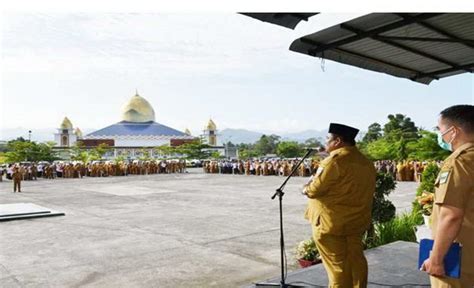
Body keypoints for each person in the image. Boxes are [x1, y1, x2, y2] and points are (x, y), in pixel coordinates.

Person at [302, 123, 376, 288]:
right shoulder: (365, 162)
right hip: (356, 222)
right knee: (356, 262)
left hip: (331, 224)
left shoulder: (334, 162)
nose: (326, 142)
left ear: (338, 141)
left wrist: (305, 188)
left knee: (338, 269)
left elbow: (314, 190)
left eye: (328, 138)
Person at [421, 105, 474, 287]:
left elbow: (451, 215)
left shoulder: (459, 162)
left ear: (454, 131)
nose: (440, 135)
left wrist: (436, 260)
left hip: (461, 259)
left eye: (440, 130)